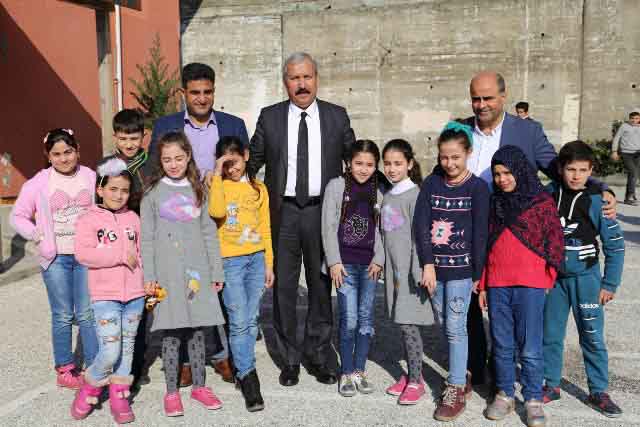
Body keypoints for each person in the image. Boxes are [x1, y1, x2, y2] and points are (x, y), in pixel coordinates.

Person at [463, 71, 616, 386]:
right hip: (471, 228)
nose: (481, 104)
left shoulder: (527, 131)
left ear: (504, 96)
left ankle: (512, 372)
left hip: (513, 234)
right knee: (469, 302)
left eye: (488, 97)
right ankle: (474, 370)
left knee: (514, 310)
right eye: (476, 98)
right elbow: (446, 165)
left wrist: (600, 188)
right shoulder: (460, 128)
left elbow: (558, 167)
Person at [249, 51, 355, 387]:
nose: (302, 84)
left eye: (307, 76)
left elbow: (356, 163)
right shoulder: (270, 117)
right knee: (284, 288)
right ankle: (290, 359)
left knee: (321, 286)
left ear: (316, 79)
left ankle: (318, 355)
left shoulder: (337, 117)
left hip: (323, 214)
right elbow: (252, 162)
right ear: (286, 82)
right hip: (283, 214)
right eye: (295, 78)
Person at [146, 62, 247, 384]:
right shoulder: (166, 126)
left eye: (207, 92)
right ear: (183, 93)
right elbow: (153, 169)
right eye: (195, 93)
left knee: (218, 287)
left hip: (223, 221)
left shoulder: (234, 125)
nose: (202, 98)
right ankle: (187, 361)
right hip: (181, 221)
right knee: (183, 289)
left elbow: (245, 171)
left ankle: (221, 355)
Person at [140, 131, 226, 417]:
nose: (174, 164)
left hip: (197, 275)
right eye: (167, 159)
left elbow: (209, 234)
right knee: (171, 332)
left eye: (179, 158)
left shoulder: (199, 189)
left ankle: (200, 387)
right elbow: (147, 239)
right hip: (166, 276)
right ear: (160, 160)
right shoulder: (152, 194)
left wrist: (216, 270)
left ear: (188, 156)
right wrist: (149, 276)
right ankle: (171, 391)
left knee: (198, 331)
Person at [478, 145, 564, 427]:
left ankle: (533, 399)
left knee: (530, 346)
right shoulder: (495, 203)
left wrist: (548, 276)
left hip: (530, 284)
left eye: (507, 172)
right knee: (502, 343)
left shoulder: (541, 202)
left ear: (520, 170)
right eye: (497, 174)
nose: (502, 179)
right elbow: (486, 245)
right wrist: (484, 284)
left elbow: (554, 239)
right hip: (498, 283)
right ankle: (505, 393)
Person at [10, 129, 98, 389]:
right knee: (62, 314)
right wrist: (36, 234)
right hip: (56, 258)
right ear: (48, 156)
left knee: (87, 313)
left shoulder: (90, 176)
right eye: (56, 154)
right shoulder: (38, 183)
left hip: (86, 255)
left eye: (68, 152)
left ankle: (95, 367)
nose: (63, 158)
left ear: (77, 149)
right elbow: (17, 216)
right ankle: (65, 368)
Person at [543, 141, 625, 418]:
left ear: (591, 171)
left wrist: (609, 284)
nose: (576, 176)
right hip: (554, 280)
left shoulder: (598, 201)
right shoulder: (548, 195)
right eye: (571, 169)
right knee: (550, 335)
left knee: (591, 336)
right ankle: (551, 384)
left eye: (582, 170)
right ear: (560, 169)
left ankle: (598, 391)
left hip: (587, 279)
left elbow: (615, 245)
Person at [414, 122, 490, 421]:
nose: (449, 163)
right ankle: (465, 373)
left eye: (455, 157)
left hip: (462, 273)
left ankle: (455, 388)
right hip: (435, 272)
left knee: (455, 328)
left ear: (468, 153)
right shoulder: (432, 184)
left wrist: (478, 276)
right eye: (444, 157)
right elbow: (421, 225)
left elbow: (481, 234)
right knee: (446, 324)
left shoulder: (477, 188)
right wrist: (427, 264)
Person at [70, 158, 144, 424]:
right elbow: (84, 254)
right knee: (111, 350)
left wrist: (148, 281)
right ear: (100, 189)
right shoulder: (88, 219)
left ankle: (119, 397)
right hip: (105, 297)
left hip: (135, 295)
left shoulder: (133, 218)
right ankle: (90, 384)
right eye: (113, 189)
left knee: (127, 350)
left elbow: (141, 254)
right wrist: (120, 254)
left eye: (124, 190)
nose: (119, 195)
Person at [208, 136, 274, 412]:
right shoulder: (218, 185)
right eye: (226, 164)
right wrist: (216, 173)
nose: (231, 169)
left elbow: (266, 227)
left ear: (246, 156)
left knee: (251, 318)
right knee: (238, 322)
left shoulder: (259, 188)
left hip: (256, 260)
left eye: (234, 162)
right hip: (231, 262)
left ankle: (243, 367)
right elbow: (216, 211)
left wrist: (269, 263)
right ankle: (247, 375)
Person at [321, 139, 385, 397]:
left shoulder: (379, 191)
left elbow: (385, 229)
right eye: (358, 163)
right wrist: (334, 261)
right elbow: (328, 225)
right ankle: (346, 371)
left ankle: (360, 370)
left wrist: (379, 258)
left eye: (369, 164)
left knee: (366, 320)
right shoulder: (336, 187)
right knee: (349, 320)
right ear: (349, 163)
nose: (363, 169)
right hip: (344, 265)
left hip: (369, 265)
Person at [380, 139, 433, 405]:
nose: (392, 169)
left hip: (410, 272)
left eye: (398, 163)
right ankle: (414, 374)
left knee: (409, 325)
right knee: (402, 324)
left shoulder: (415, 195)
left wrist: (418, 270)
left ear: (410, 164)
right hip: (394, 272)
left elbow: (420, 237)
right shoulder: (389, 195)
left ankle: (416, 382)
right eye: (387, 163)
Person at [101, 108, 151, 388]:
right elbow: (99, 204)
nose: (129, 144)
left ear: (143, 136)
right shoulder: (106, 166)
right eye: (123, 138)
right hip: (114, 244)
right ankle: (114, 361)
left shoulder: (151, 165)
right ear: (115, 137)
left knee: (138, 306)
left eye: (134, 138)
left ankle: (136, 365)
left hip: (143, 242)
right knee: (113, 306)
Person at [611, 110, 640, 205]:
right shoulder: (624, 126)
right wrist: (614, 151)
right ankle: (630, 196)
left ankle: (628, 197)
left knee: (633, 175)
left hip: (637, 154)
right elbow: (616, 138)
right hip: (626, 153)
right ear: (629, 118)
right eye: (632, 118)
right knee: (633, 173)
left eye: (636, 118)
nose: (634, 120)